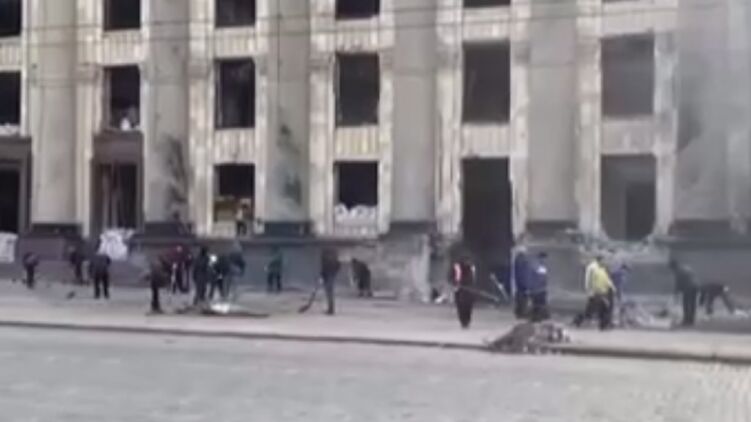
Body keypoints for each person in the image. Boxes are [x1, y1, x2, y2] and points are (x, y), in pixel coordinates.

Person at [574, 255, 616, 330]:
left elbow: (606, 280)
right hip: (596, 292)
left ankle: (603, 325)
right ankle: (578, 321)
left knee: (602, 309)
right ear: (600, 260)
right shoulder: (593, 268)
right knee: (592, 310)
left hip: (601, 292)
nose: (605, 262)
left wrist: (612, 287)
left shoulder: (602, 269)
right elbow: (588, 279)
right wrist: (589, 291)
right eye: (604, 260)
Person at [669, 258, 699, 327]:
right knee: (692, 303)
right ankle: (691, 320)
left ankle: (686, 320)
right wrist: (677, 291)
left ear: (673, 266)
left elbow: (678, 283)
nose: (672, 270)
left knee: (686, 303)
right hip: (695, 286)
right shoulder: (686, 267)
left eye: (671, 268)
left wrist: (676, 292)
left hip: (689, 287)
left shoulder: (678, 271)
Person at [449, 253, 476, 329]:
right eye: (467, 261)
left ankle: (467, 321)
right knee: (460, 306)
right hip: (459, 289)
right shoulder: (456, 267)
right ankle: (463, 321)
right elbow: (451, 276)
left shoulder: (472, 267)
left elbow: (473, 278)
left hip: (469, 289)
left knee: (468, 306)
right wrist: (455, 283)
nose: (468, 262)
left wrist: (472, 286)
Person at [528, 252, 550, 322]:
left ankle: (539, 317)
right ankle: (536, 318)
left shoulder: (541, 266)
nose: (546, 260)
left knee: (539, 304)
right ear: (541, 258)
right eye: (545, 259)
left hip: (539, 288)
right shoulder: (538, 266)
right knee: (537, 304)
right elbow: (541, 278)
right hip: (537, 289)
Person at [512, 245, 532, 319]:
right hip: (523, 280)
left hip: (520, 280)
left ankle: (519, 312)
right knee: (523, 297)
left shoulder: (518, 259)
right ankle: (522, 312)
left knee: (520, 296)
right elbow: (524, 271)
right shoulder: (522, 259)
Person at [320, 247, 341, 315]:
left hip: (328, 275)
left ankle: (330, 309)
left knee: (329, 292)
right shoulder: (334, 258)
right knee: (330, 292)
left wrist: (322, 275)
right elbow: (338, 266)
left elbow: (324, 267)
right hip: (331, 275)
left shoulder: (325, 257)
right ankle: (331, 308)